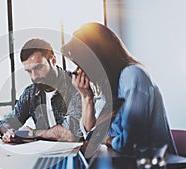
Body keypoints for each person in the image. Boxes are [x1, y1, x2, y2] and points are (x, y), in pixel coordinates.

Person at [62, 22, 177, 155]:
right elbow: (92, 137)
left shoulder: (132, 75)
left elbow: (130, 143)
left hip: (155, 168)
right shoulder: (108, 87)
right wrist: (86, 97)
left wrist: (108, 140)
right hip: (126, 165)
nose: (80, 71)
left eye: (82, 64)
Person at [0, 38, 83, 143]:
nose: (34, 77)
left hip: (77, 154)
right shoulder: (31, 93)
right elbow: (6, 122)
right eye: (29, 71)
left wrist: (33, 133)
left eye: (38, 67)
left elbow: (70, 133)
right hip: (45, 155)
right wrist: (8, 132)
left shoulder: (76, 85)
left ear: (53, 60)